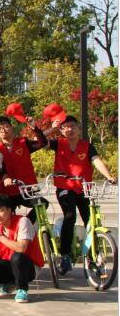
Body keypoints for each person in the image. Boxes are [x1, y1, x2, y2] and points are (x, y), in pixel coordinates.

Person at [46, 115, 116, 274]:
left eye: (72, 126)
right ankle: (65, 256)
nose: (69, 129)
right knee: (70, 216)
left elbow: (96, 161)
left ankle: (93, 256)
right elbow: (39, 142)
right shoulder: (58, 144)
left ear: (78, 129)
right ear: (61, 131)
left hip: (84, 188)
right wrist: (52, 129)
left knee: (90, 221)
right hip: (65, 187)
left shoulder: (87, 146)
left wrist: (109, 176)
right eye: (65, 127)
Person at [0, 193, 44, 303]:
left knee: (17, 257)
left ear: (9, 210)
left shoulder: (23, 222)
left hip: (28, 266)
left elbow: (21, 248)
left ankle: (22, 289)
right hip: (10, 263)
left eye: (1, 211)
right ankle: (9, 283)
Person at [0, 115, 48, 222]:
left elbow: (42, 143)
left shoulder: (23, 143)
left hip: (26, 189)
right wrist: (4, 177)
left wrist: (33, 127)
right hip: (7, 191)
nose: (3, 130)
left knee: (43, 204)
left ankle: (26, 224)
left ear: (12, 127)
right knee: (6, 218)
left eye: (6, 126)